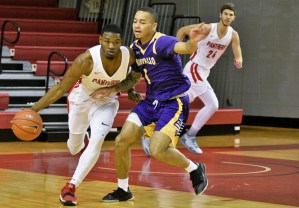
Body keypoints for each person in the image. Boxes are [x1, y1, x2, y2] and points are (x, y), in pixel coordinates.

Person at [97, 7, 208, 202]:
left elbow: (184, 49)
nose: (137, 25)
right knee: (121, 141)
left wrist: (193, 41)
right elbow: (134, 77)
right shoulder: (136, 48)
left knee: (157, 150)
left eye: (143, 22)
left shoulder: (162, 41)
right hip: (150, 102)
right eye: (135, 21)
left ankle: (194, 168)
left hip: (174, 102)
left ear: (153, 25)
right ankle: (123, 189)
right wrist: (114, 89)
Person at [30, 24, 142, 206]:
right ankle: (82, 138)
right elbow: (60, 88)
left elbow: (133, 76)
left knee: (98, 140)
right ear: (100, 40)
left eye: (116, 42)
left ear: (121, 42)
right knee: (74, 147)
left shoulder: (129, 56)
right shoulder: (86, 60)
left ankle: (70, 187)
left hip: (106, 102)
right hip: (81, 99)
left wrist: (128, 90)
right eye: (107, 41)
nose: (112, 46)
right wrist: (33, 110)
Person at [142, 3, 243, 155]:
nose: (228, 17)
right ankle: (189, 136)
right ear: (220, 15)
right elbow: (182, 30)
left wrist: (239, 59)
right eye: (226, 14)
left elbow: (237, 48)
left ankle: (149, 133)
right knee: (212, 104)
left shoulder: (233, 35)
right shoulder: (208, 28)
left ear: (234, 17)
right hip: (194, 69)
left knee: (177, 105)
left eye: (231, 14)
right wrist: (173, 49)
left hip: (204, 72)